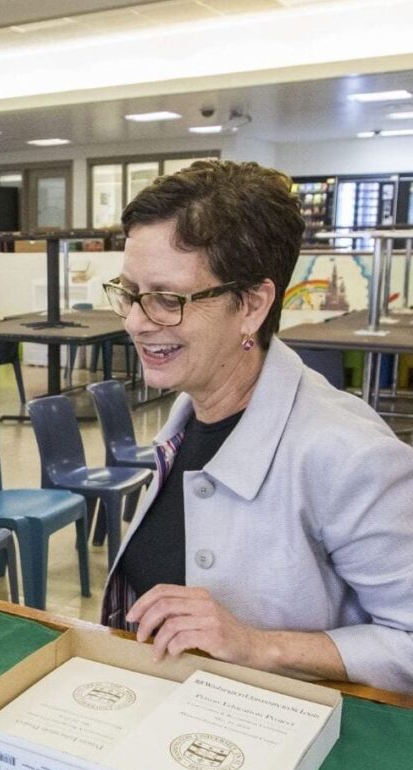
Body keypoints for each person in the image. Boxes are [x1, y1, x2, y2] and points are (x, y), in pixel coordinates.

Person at [100, 159, 413, 694]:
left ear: (252, 304)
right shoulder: (186, 421)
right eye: (129, 292)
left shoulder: (347, 454)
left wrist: (256, 644)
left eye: (166, 299)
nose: (133, 320)